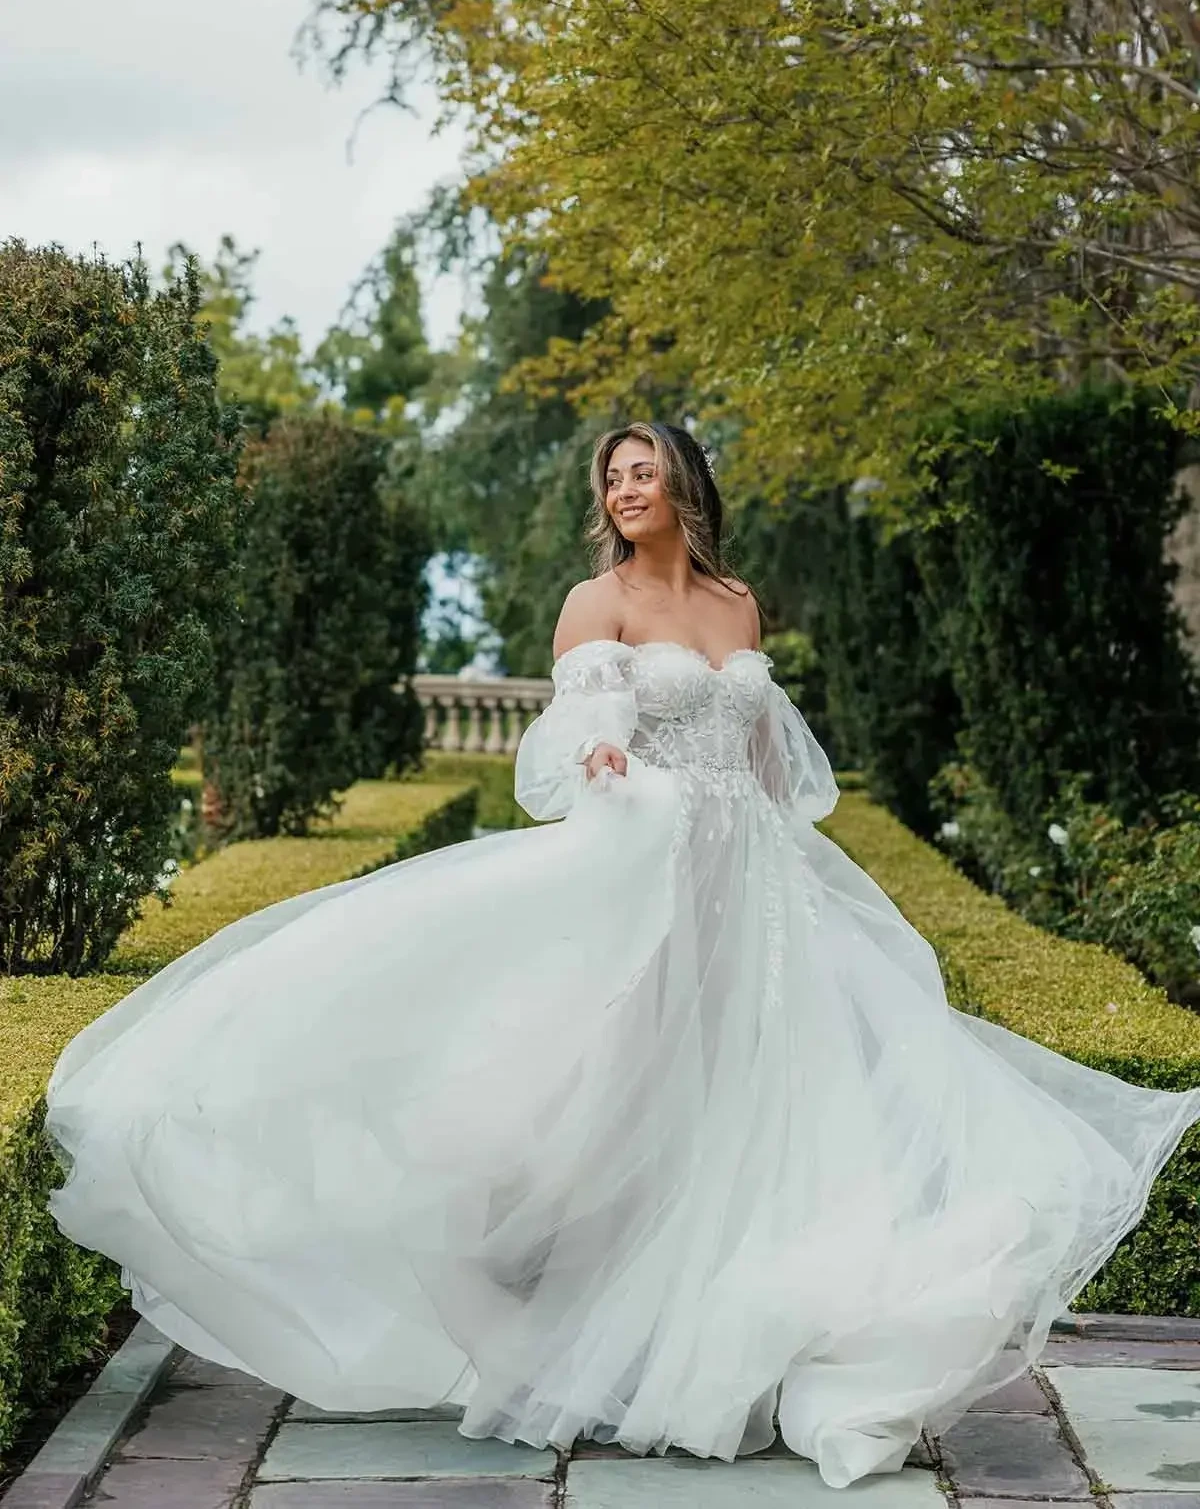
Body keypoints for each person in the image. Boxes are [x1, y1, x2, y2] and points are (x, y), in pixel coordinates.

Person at [43, 420, 1200, 1491]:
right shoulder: (594, 601)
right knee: (630, 1103)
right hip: (655, 882)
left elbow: (762, 764)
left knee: (764, 1106)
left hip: (756, 893)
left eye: (642, 471)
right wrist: (604, 759)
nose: (624, 488)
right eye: (612, 477)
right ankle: (600, 1344)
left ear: (686, 484)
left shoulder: (739, 604)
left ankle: (748, 1344)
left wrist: (795, 882)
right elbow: (579, 736)